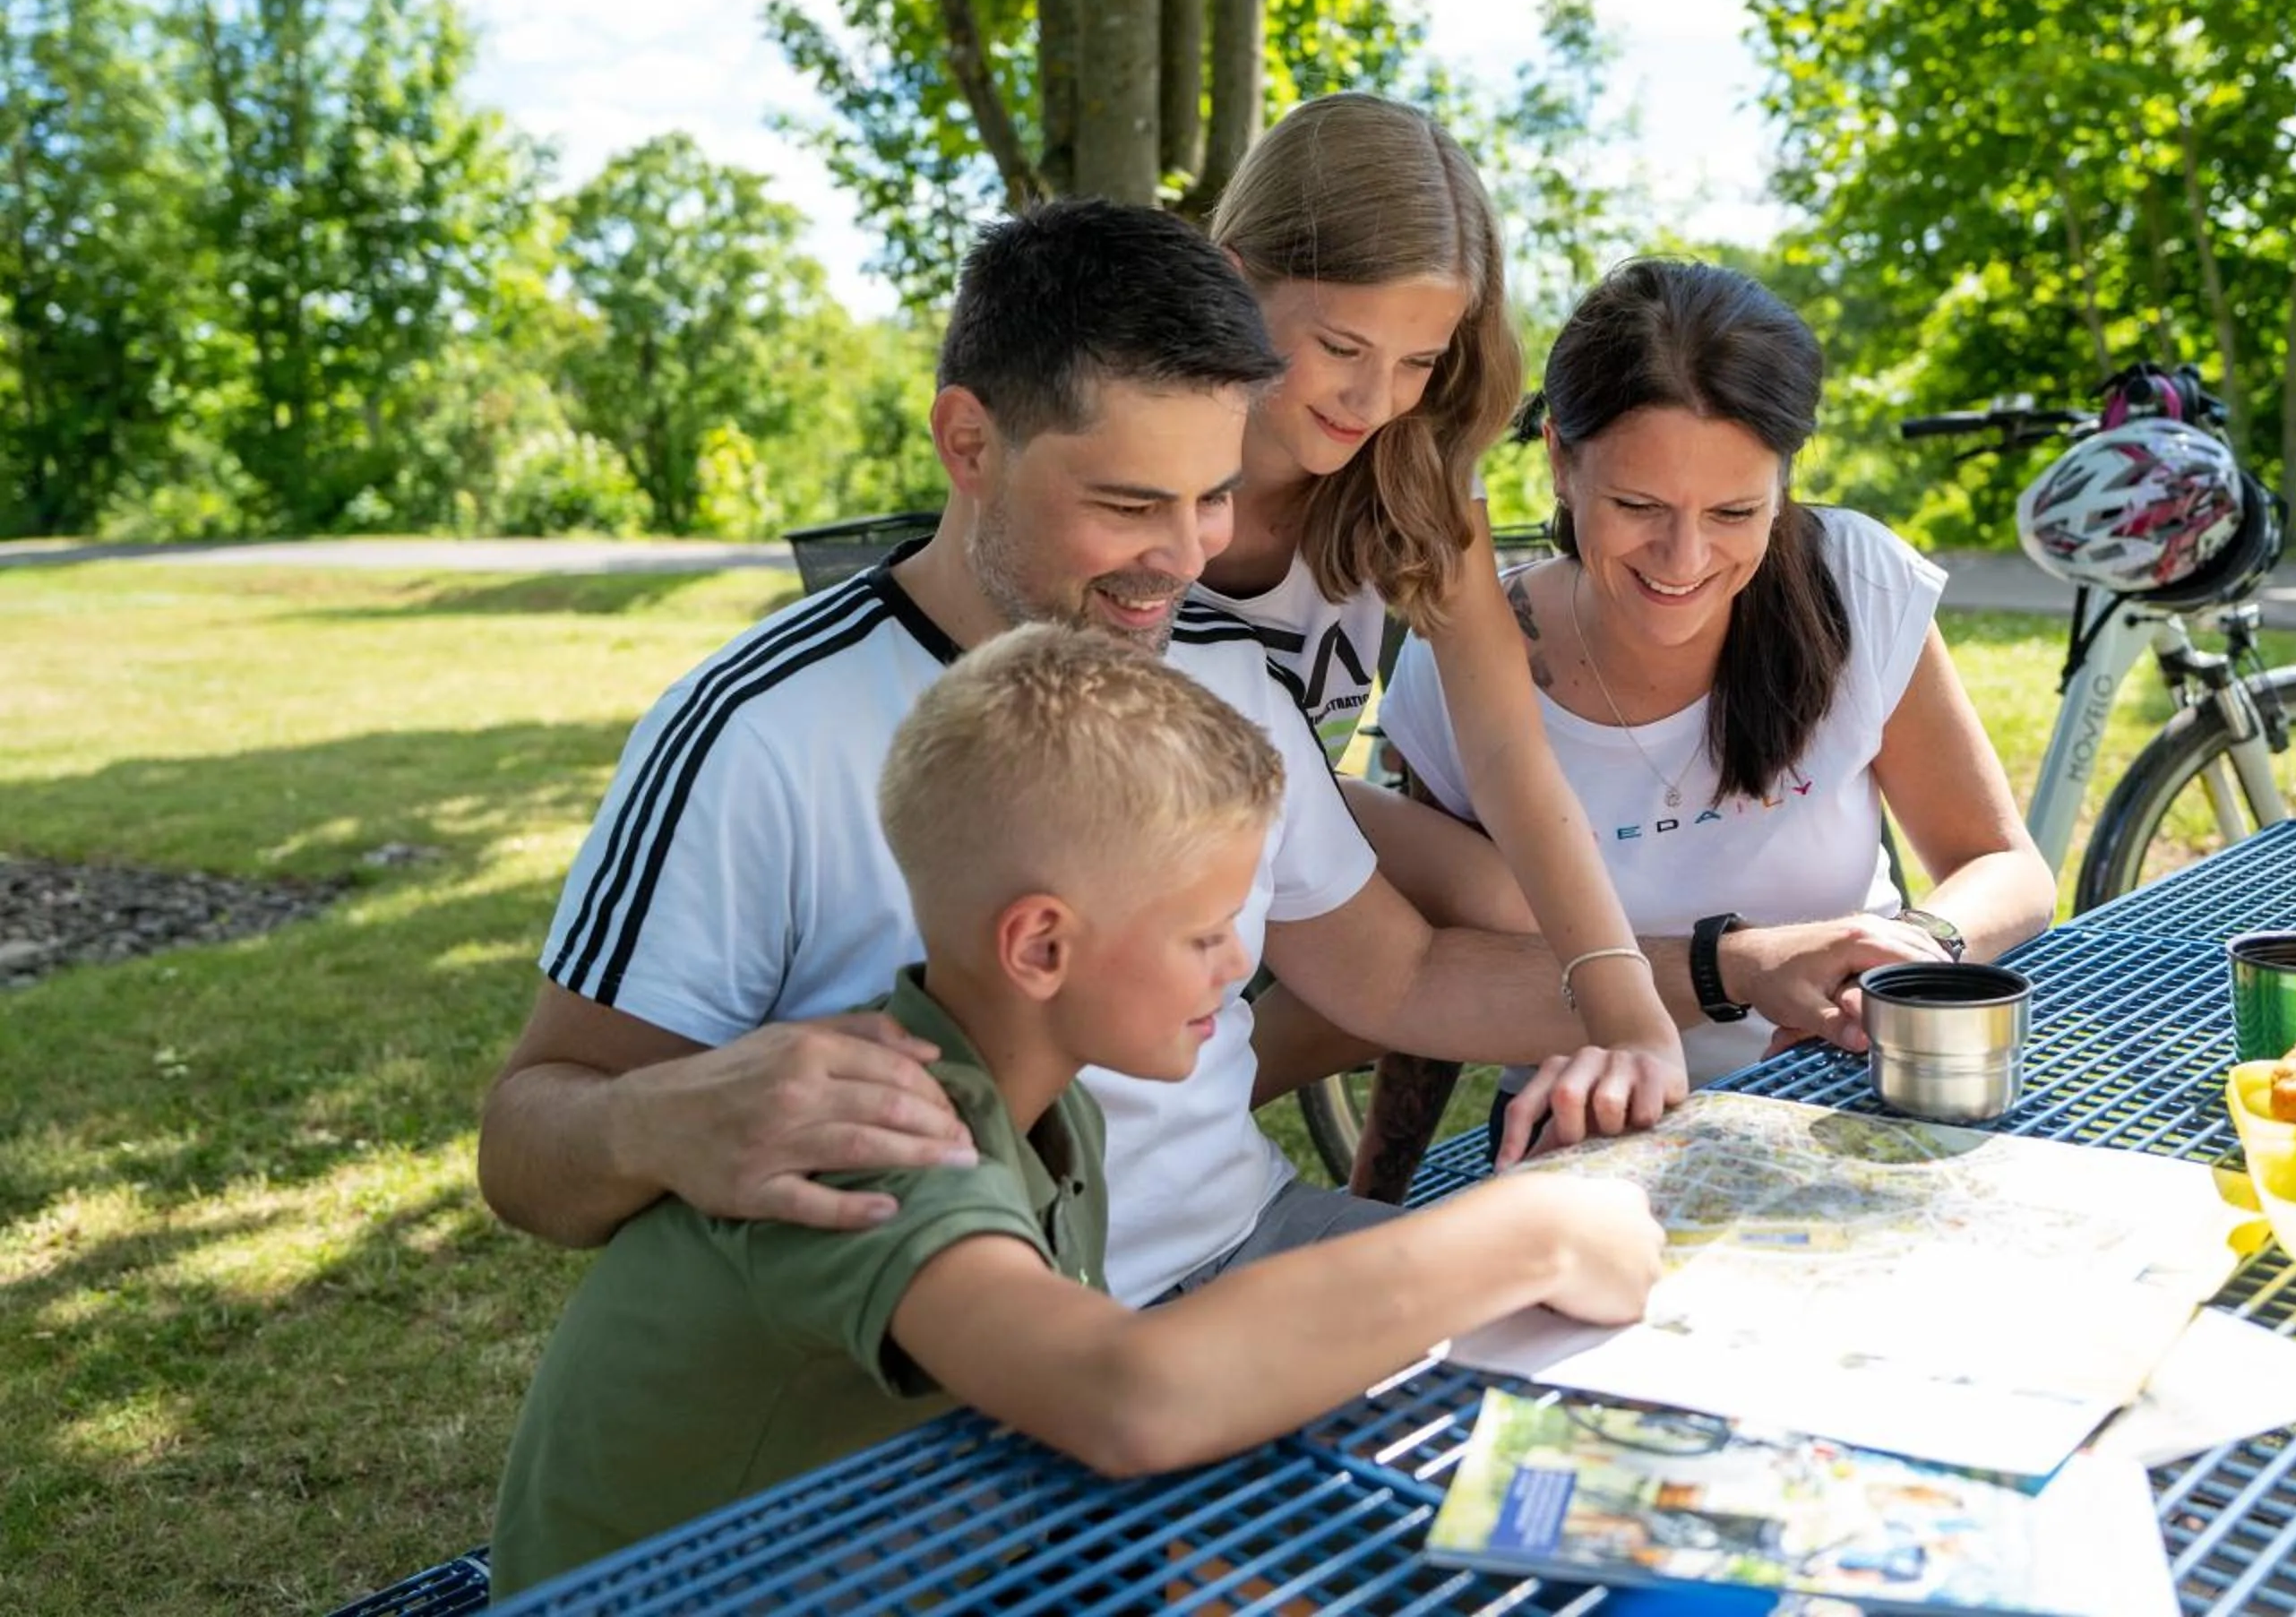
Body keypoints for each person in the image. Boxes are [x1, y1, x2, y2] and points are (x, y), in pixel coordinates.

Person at [477, 201, 1853, 1309]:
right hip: (933, 1367)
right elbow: (528, 1140)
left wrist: (1725, 974)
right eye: (1129, 502)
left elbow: (1403, 972)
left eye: (1210, 497)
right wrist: (655, 1125)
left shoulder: (1217, 670)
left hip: (1253, 1251)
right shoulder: (754, 728)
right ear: (970, 442)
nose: (1183, 561)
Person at [488, 624, 1664, 1597]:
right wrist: (1532, 1229)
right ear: (1042, 943)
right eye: (1206, 933)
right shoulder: (878, 1135)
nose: (1237, 962)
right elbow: (1126, 1395)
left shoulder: (1056, 1115)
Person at [1357, 260, 2057, 1193]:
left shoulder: (1856, 583)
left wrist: (1896, 957)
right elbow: (1437, 962)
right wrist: (1378, 1197)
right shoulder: (1466, 668)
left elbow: (2007, 866)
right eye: (1639, 507)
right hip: (1598, 1129)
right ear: (1561, 461)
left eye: (1735, 512)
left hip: (1846, 1094)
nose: (1684, 560)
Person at [1197, 94, 1690, 1141]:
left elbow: (1508, 751)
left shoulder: (1411, 462)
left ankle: (1215, 1095)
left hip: (1278, 812)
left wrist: (1633, 1014)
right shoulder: (1145, 462)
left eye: (1419, 361)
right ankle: (1167, 1109)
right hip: (1118, 824)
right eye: (1343, 345)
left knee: (1510, 903)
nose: (1376, 399)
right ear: (1234, 283)